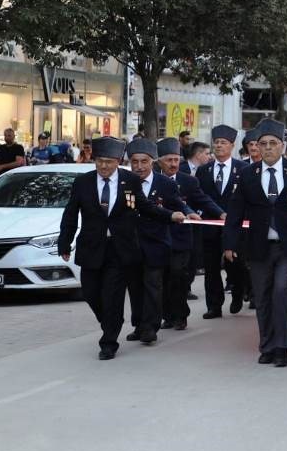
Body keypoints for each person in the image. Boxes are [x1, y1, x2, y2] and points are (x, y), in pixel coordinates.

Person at [57, 137, 184, 360]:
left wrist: (170, 215)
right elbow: (70, 215)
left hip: (120, 249)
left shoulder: (129, 182)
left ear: (117, 161)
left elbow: (144, 207)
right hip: (91, 248)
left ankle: (109, 341)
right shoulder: (83, 183)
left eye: (108, 161)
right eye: (99, 161)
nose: (104, 166)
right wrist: (64, 242)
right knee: (91, 293)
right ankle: (110, 321)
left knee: (112, 296)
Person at [224, 118, 287, 367]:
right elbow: (235, 212)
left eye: (273, 143)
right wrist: (229, 244)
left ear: (282, 145)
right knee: (263, 296)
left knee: (281, 291)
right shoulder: (247, 174)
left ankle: (283, 346)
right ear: (255, 147)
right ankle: (267, 345)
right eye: (263, 144)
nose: (268, 148)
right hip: (258, 247)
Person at [125, 139, 193, 345]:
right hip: (130, 244)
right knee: (135, 288)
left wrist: (188, 213)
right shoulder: (124, 181)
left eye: (143, 162)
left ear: (152, 162)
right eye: (134, 162)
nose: (139, 166)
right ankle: (138, 324)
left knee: (153, 286)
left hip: (156, 244)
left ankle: (150, 327)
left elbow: (178, 204)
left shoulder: (166, 184)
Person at [156, 137, 222, 330]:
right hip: (158, 237)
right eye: (169, 160)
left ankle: (180, 315)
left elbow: (204, 200)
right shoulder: (151, 178)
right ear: (159, 161)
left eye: (176, 160)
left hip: (181, 237)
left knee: (178, 275)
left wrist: (221, 213)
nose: (173, 164)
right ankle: (167, 315)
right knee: (162, 278)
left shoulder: (188, 181)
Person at [194, 125, 244, 317]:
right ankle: (214, 306)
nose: (219, 146)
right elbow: (198, 197)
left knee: (236, 265)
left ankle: (238, 293)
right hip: (210, 226)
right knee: (211, 267)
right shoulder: (203, 170)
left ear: (232, 145)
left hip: (235, 227)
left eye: (223, 143)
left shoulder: (243, 169)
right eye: (216, 142)